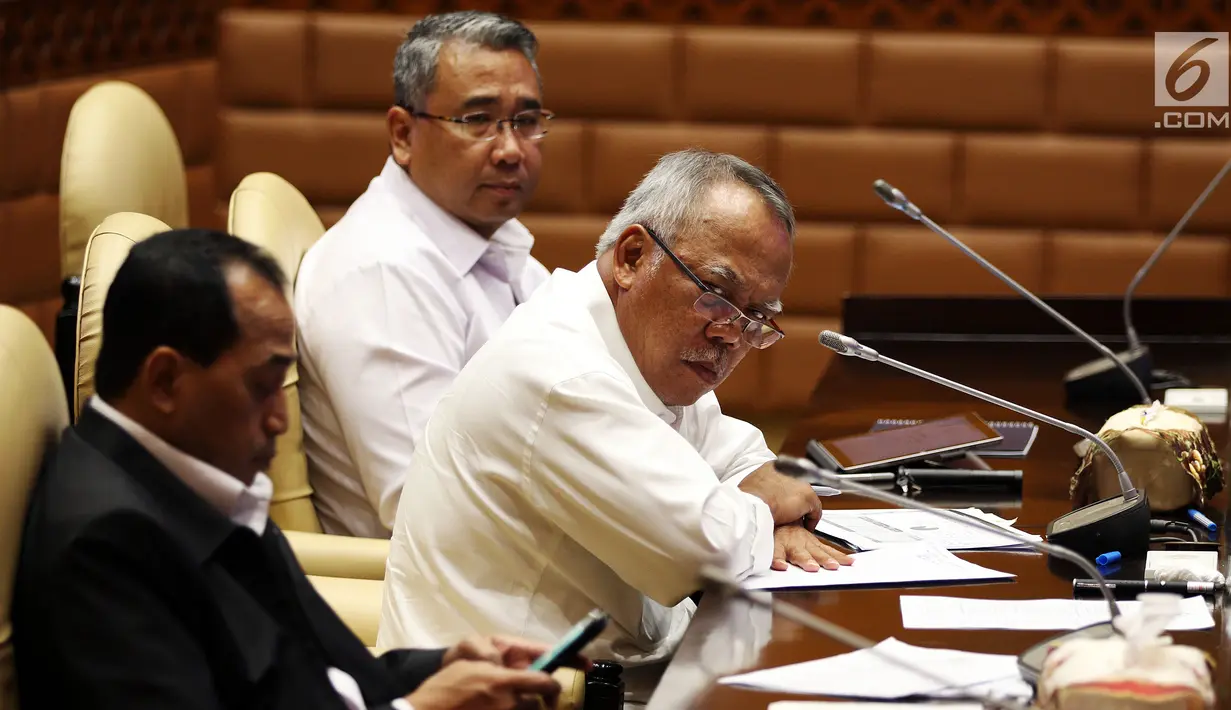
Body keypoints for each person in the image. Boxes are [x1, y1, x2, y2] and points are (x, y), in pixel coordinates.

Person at [13, 229, 579, 710]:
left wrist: (439, 667)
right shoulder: (103, 547)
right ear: (165, 381)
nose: (280, 420)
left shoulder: (194, 477)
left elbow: (320, 671)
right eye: (262, 387)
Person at [378, 150, 853, 683]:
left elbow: (735, 452)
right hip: (520, 694)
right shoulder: (560, 373)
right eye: (717, 297)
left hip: (620, 674)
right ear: (631, 257)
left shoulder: (638, 348)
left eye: (756, 319)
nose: (729, 335)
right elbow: (703, 549)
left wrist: (761, 505)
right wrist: (767, 512)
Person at [294, 11, 553, 538]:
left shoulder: (490, 239)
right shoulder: (383, 272)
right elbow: (428, 507)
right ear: (403, 134)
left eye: (526, 122)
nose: (510, 149)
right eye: (477, 120)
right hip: (462, 606)